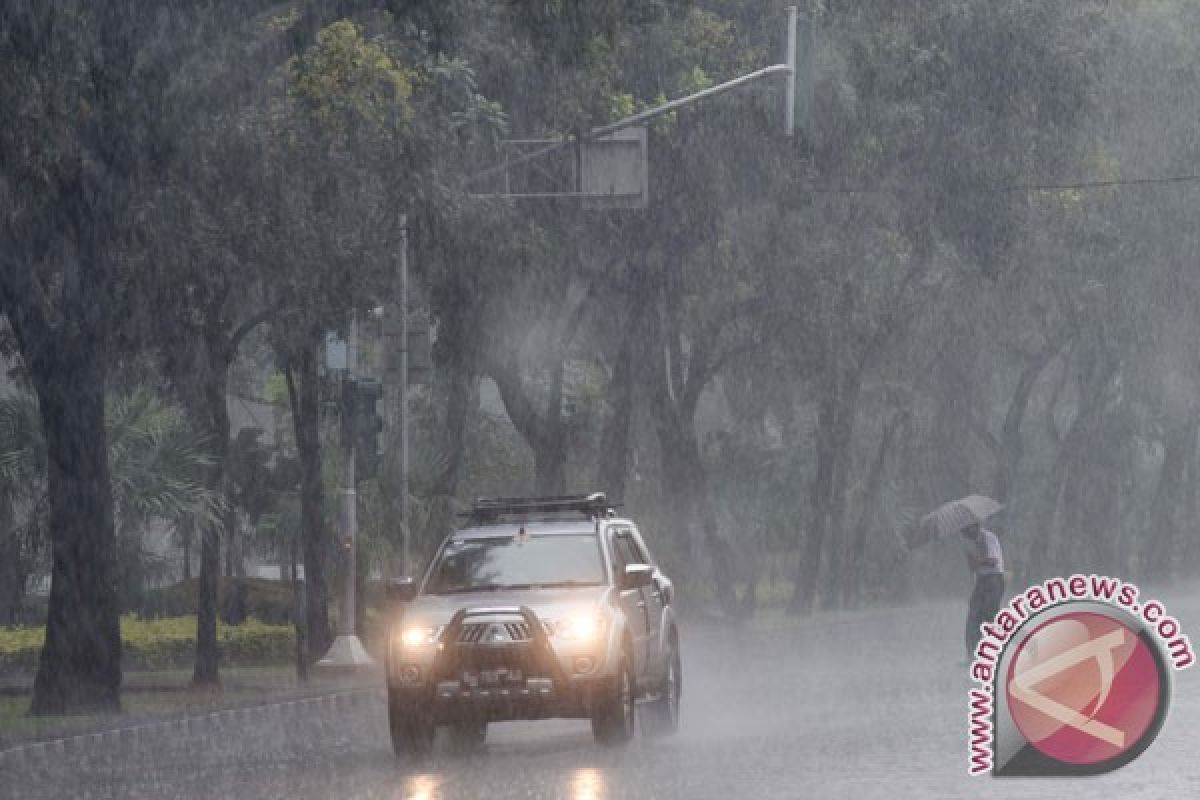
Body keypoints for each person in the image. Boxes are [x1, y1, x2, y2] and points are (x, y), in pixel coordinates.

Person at [962, 522, 1005, 659]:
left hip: (993, 580)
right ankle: (972, 654)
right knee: (973, 616)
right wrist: (971, 561)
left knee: (989, 616)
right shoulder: (973, 542)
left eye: (966, 530)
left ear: (974, 527)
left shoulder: (988, 538)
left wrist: (977, 560)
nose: (964, 534)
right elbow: (974, 568)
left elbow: (993, 561)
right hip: (981, 581)